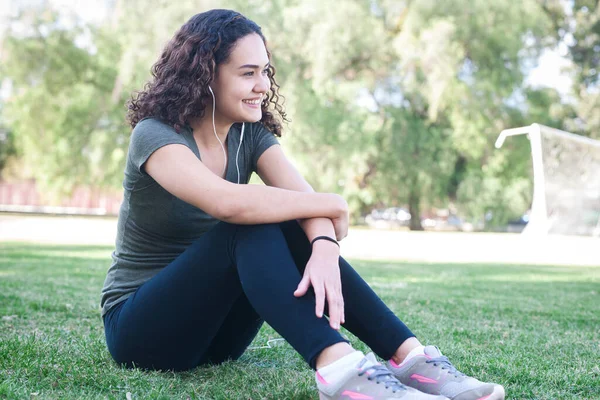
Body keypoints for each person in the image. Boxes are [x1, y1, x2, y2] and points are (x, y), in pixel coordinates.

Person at [100, 9, 505, 400]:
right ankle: (340, 370)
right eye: (247, 73)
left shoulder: (250, 135)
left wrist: (325, 247)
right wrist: (331, 204)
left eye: (265, 71)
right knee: (253, 222)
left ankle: (411, 358)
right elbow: (230, 204)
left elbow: (308, 208)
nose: (263, 85)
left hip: (217, 338)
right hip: (142, 332)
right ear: (204, 76)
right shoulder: (155, 136)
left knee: (286, 219)